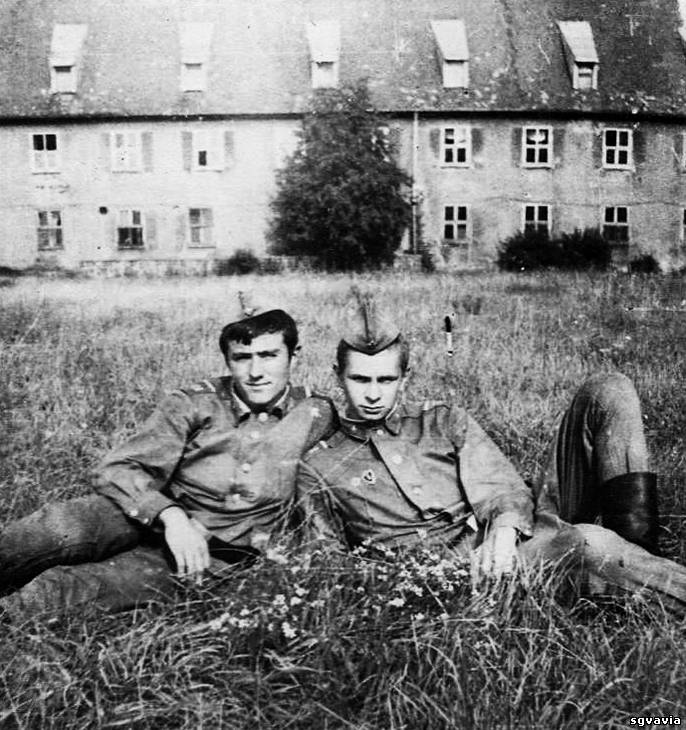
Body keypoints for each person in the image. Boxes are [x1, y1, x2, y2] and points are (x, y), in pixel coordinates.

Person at [295, 292, 686, 610]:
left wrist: (503, 529)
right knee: (589, 542)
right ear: (337, 376)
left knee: (608, 390)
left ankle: (639, 559)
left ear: (405, 378)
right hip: (467, 571)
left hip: (513, 529)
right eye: (360, 379)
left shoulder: (442, 420)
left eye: (386, 379)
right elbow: (328, 562)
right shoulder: (319, 465)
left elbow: (503, 487)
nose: (373, 393)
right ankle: (637, 576)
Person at [0, 296, 335, 619]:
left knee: (79, 588)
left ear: (294, 356)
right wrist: (172, 517)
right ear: (227, 359)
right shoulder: (195, 403)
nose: (255, 371)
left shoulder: (317, 413)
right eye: (242, 357)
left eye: (269, 355)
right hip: (147, 515)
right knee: (56, 530)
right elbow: (118, 468)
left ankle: (11, 615)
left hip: (213, 550)